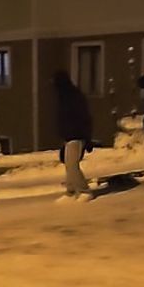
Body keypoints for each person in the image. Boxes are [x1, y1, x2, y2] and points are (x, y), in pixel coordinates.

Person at [54, 71, 94, 201]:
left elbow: (84, 117)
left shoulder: (74, 96)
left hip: (76, 135)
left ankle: (84, 190)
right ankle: (71, 190)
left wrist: (87, 138)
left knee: (72, 165)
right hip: (69, 136)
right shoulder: (64, 97)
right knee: (68, 164)